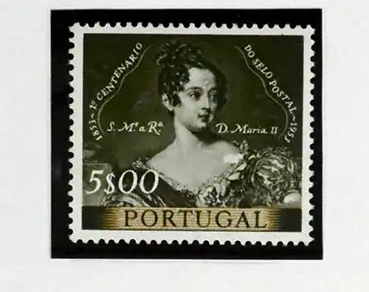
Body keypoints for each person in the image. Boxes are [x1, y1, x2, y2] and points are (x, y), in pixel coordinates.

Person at [123, 44, 302, 210]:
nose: (207, 105)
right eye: (195, 95)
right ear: (169, 101)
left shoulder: (245, 164)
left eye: (213, 96)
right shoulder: (150, 172)